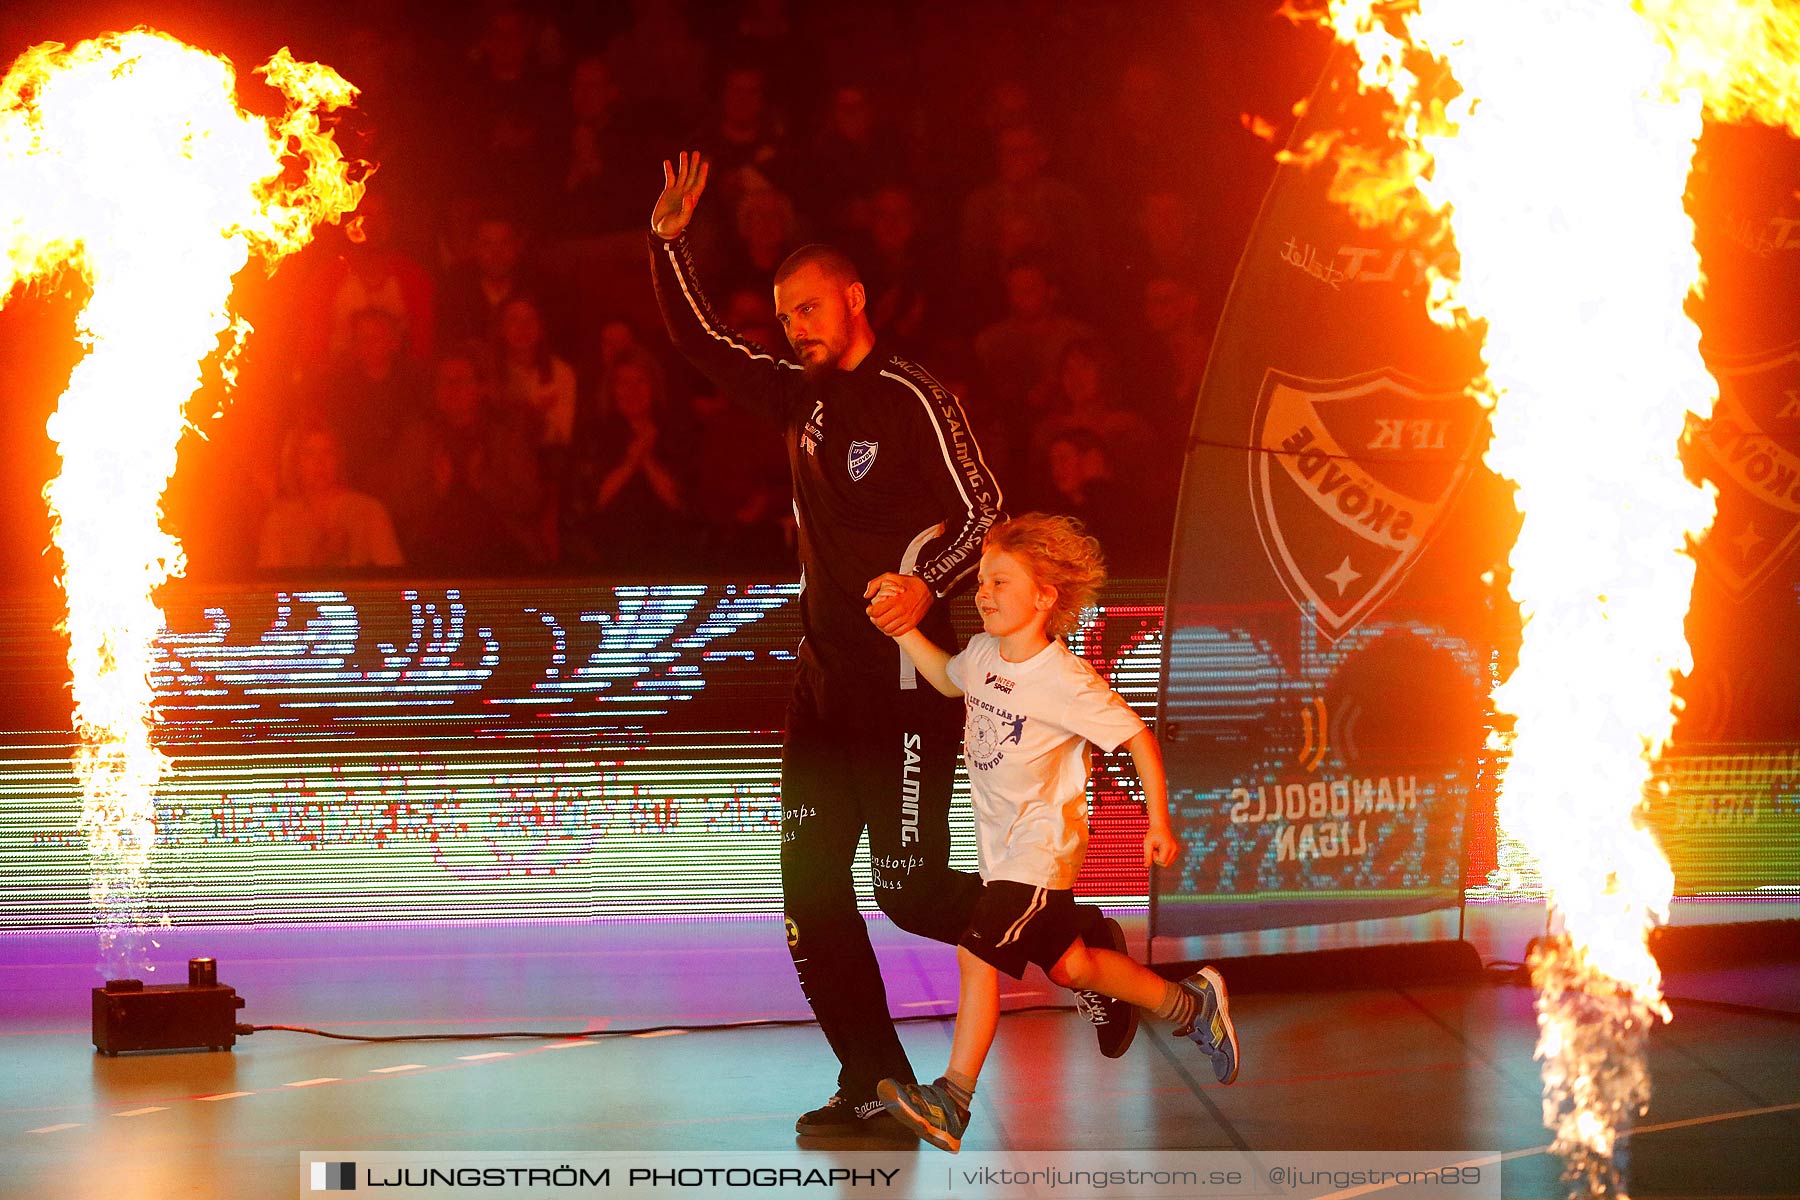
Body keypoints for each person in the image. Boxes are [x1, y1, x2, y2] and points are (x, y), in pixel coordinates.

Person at [646, 151, 1129, 1141]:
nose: (795, 329)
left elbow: (984, 509)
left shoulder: (911, 394)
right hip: (823, 684)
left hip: (907, 683)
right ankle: (871, 1081)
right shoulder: (797, 396)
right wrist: (667, 245)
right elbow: (699, 343)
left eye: (809, 310)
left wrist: (925, 586)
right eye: (784, 318)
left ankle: (1085, 946)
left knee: (908, 889)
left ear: (854, 300)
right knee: (808, 894)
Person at [872, 514, 1240, 1152]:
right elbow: (945, 676)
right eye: (983, 581)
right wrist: (905, 630)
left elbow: (1136, 737)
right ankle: (1191, 1005)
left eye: (1001, 582)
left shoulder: (1066, 681)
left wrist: (1159, 820)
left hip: (1039, 853)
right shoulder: (984, 653)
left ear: (1044, 598)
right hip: (999, 852)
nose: (984, 593)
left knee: (976, 950)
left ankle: (952, 1100)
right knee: (1073, 966)